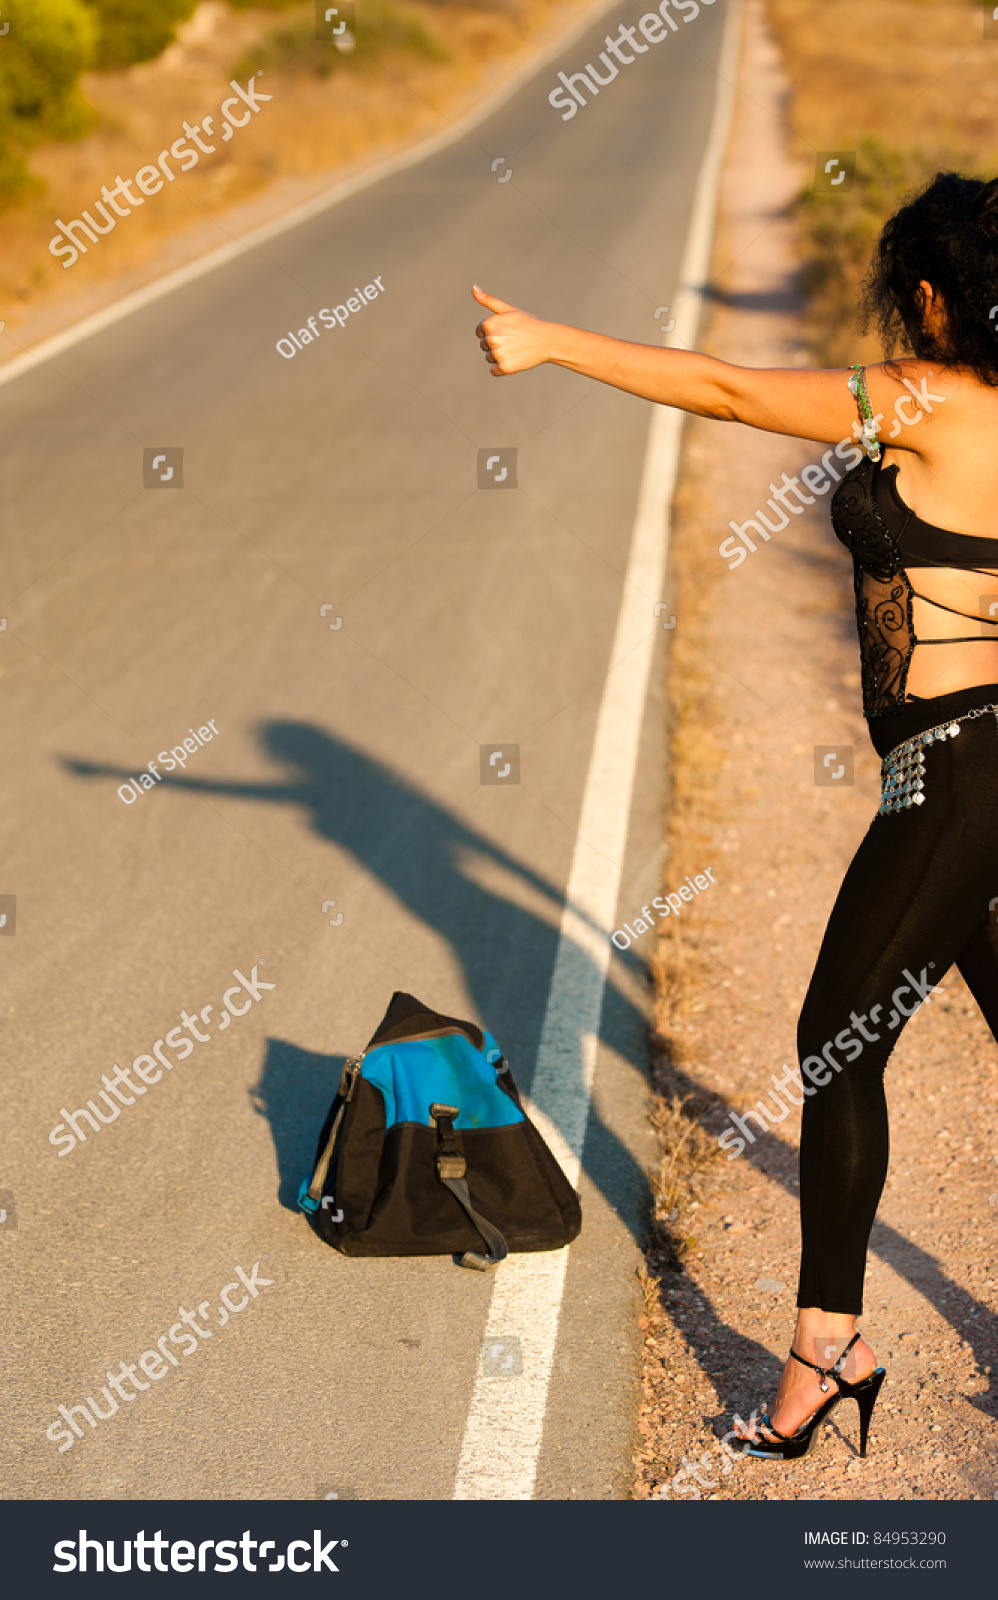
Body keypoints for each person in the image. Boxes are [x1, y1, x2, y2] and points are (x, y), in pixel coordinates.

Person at [472, 170, 998, 1461]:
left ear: (929, 294)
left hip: (956, 769)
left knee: (836, 1040)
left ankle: (826, 1348)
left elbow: (722, 389)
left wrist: (550, 340)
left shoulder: (926, 397)